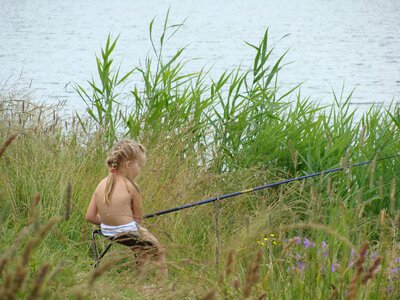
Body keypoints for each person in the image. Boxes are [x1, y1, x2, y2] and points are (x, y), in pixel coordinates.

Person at [85, 139, 167, 278]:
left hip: (107, 232)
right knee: (158, 249)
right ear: (129, 165)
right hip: (127, 231)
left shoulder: (101, 184)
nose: (140, 169)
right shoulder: (132, 186)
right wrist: (124, 221)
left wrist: (109, 222)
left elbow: (90, 217)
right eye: (139, 166)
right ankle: (164, 284)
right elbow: (138, 219)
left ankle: (138, 280)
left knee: (140, 247)